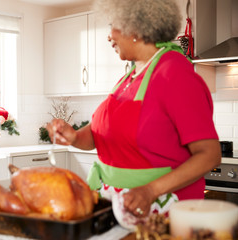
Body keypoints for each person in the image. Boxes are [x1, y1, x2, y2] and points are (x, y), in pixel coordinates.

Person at [46, 0, 221, 225]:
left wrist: (150, 191)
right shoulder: (128, 78)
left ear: (136, 27)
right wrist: (74, 137)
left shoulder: (176, 75)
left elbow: (209, 155)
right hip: (120, 209)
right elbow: (103, 136)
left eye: (113, 26)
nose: (109, 36)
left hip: (162, 215)